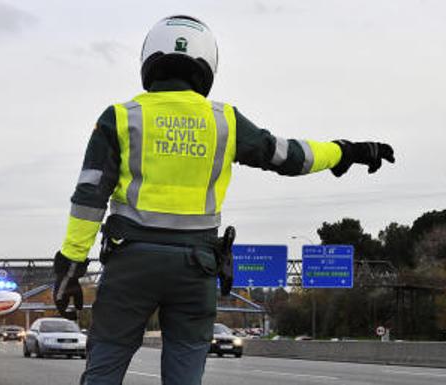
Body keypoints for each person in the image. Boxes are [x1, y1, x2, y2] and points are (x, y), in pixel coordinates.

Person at [52, 15, 395, 385]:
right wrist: (344, 152)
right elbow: (287, 155)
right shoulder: (224, 122)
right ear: (207, 65)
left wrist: (70, 263)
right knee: (185, 371)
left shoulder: (120, 118)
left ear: (149, 60)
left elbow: (90, 196)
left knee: (105, 365)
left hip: (130, 264)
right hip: (195, 269)